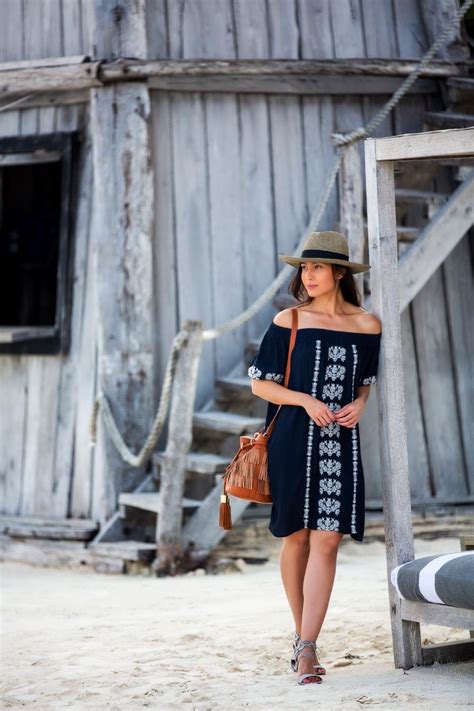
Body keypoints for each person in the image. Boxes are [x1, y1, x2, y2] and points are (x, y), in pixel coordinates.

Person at [247, 230, 382, 685]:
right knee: (297, 538)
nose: (308, 274)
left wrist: (361, 403)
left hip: (340, 442)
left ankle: (306, 647)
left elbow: (365, 380)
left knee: (328, 539)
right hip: (291, 438)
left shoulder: (368, 325)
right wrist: (304, 400)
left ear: (339, 272)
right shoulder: (290, 320)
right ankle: (304, 638)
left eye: (318, 266)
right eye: (305, 267)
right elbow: (260, 384)